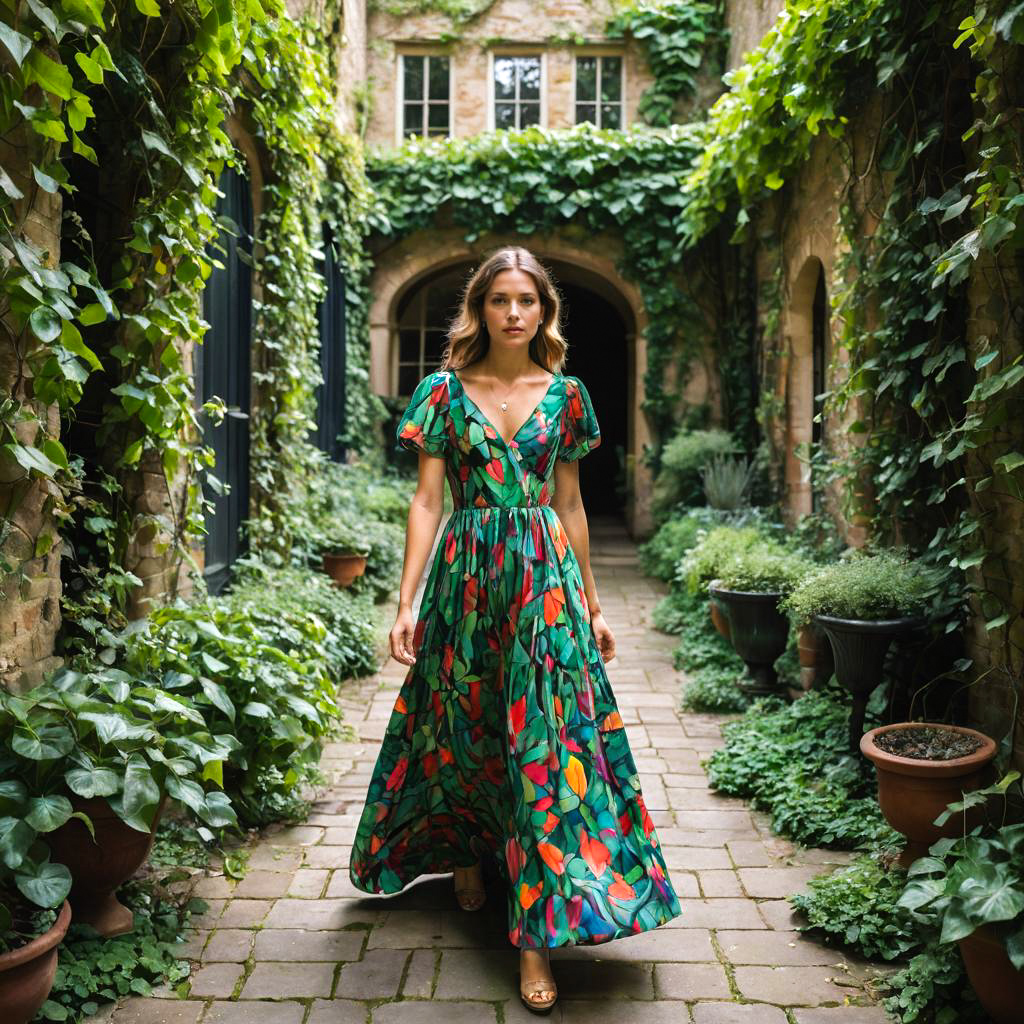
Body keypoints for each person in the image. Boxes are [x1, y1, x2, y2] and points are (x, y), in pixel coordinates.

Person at [349, 245, 682, 1013]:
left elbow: (570, 506)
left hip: (543, 586)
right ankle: (468, 849)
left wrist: (594, 606)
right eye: (499, 299)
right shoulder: (441, 392)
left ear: (543, 312)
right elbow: (429, 502)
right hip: (466, 579)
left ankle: (533, 938)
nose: (512, 312)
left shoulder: (565, 396)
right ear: (480, 308)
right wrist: (404, 602)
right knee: (464, 723)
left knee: (543, 743)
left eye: (525, 300)